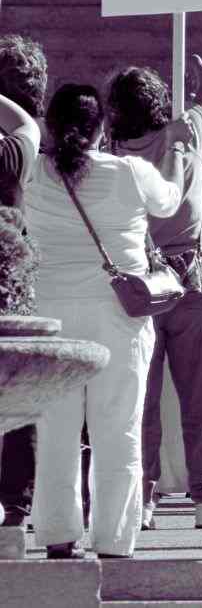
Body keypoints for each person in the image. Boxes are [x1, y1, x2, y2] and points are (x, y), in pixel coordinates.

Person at [25, 82, 183, 558]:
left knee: (56, 431)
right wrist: (175, 147)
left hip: (50, 314)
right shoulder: (130, 171)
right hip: (119, 314)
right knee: (119, 428)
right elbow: (171, 202)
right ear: (102, 128)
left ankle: (57, 533)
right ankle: (114, 539)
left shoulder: (33, 172)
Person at [107, 59, 202, 529]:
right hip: (193, 271)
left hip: (139, 277)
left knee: (143, 395)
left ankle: (145, 497)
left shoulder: (111, 152)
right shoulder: (185, 135)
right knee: (201, 396)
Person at [0, 35, 48, 530]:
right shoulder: (19, 149)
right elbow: (24, 122)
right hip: (11, 278)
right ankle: (16, 501)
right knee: (17, 390)